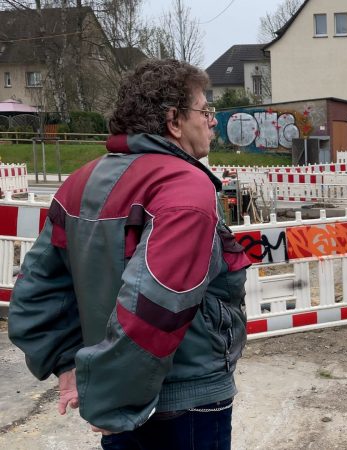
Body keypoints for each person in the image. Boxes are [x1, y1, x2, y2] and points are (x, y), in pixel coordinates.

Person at [9, 59, 251, 450]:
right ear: (174, 120)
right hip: (184, 399)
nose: (213, 122)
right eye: (205, 111)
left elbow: (34, 290)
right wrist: (111, 400)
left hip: (125, 396)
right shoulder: (186, 187)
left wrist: (67, 363)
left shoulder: (81, 180)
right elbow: (157, 305)